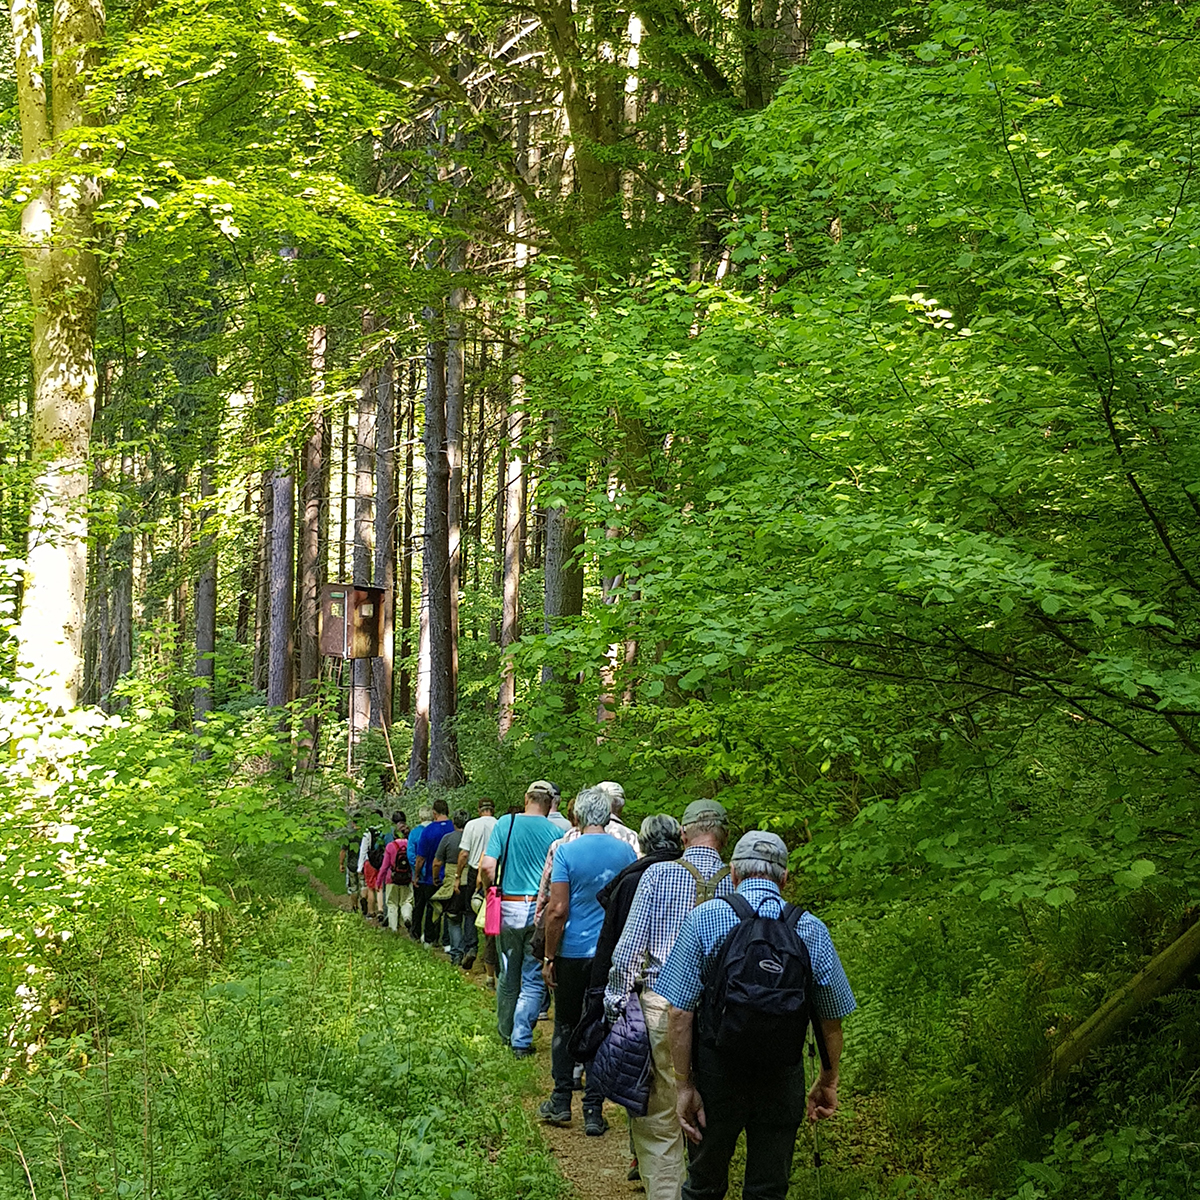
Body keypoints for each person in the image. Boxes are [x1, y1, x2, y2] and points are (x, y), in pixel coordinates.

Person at [658, 831, 856, 1200]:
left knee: (703, 1185)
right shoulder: (810, 929)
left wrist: (684, 1085)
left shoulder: (704, 919)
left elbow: (679, 1012)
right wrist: (828, 1079)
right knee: (768, 1189)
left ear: (732, 874)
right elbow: (831, 1018)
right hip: (781, 1075)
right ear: (784, 878)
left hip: (717, 1074)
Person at [604, 799, 733, 1200]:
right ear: (725, 836)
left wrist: (614, 1003)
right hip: (723, 1016)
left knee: (660, 1118)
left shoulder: (659, 874)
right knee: (710, 1112)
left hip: (661, 1006)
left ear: (683, 834)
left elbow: (628, 951)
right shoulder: (739, 879)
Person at [540, 788, 637, 1135]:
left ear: (577, 817)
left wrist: (549, 956)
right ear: (608, 815)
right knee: (601, 1026)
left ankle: (561, 1099)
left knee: (565, 1024)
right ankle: (594, 1110)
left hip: (572, 953)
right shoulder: (626, 851)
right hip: (610, 956)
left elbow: (557, 910)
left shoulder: (567, 852)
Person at [479, 781, 562, 1058]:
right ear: (550, 804)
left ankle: (505, 1030)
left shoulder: (506, 823)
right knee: (533, 977)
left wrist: (486, 889)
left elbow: (488, 866)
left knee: (507, 972)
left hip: (508, 908)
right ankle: (521, 1039)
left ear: (526, 798)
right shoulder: (556, 832)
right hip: (540, 912)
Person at [456, 797, 497, 975]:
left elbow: (464, 854)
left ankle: (471, 948)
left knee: (470, 911)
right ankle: (490, 952)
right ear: (492, 809)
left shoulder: (471, 825)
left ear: (479, 809)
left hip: (474, 871)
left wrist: (458, 875)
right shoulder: (499, 824)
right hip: (495, 872)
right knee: (491, 912)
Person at [413, 799, 455, 946]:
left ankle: (430, 939)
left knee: (432, 907)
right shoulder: (454, 828)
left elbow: (420, 858)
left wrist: (417, 875)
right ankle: (448, 942)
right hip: (451, 876)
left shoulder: (428, 830)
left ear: (434, 813)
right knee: (449, 909)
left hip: (431, 876)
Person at [433, 810, 469, 963]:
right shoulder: (471, 839)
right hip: (470, 881)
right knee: (468, 916)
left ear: (454, 822)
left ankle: (456, 953)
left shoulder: (447, 839)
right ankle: (469, 949)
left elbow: (437, 862)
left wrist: (436, 878)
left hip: (451, 882)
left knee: (453, 918)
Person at [377, 811, 413, 933]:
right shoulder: (409, 844)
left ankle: (393, 929)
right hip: (406, 878)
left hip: (391, 878)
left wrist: (378, 881)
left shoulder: (391, 846)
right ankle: (407, 917)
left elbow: (384, 866)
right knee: (406, 901)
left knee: (392, 904)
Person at [339, 812, 365, 916]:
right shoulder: (365, 834)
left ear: (353, 822)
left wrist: (341, 864)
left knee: (353, 887)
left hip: (352, 864)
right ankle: (365, 904)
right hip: (363, 864)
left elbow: (343, 852)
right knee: (364, 885)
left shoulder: (349, 836)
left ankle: (354, 906)